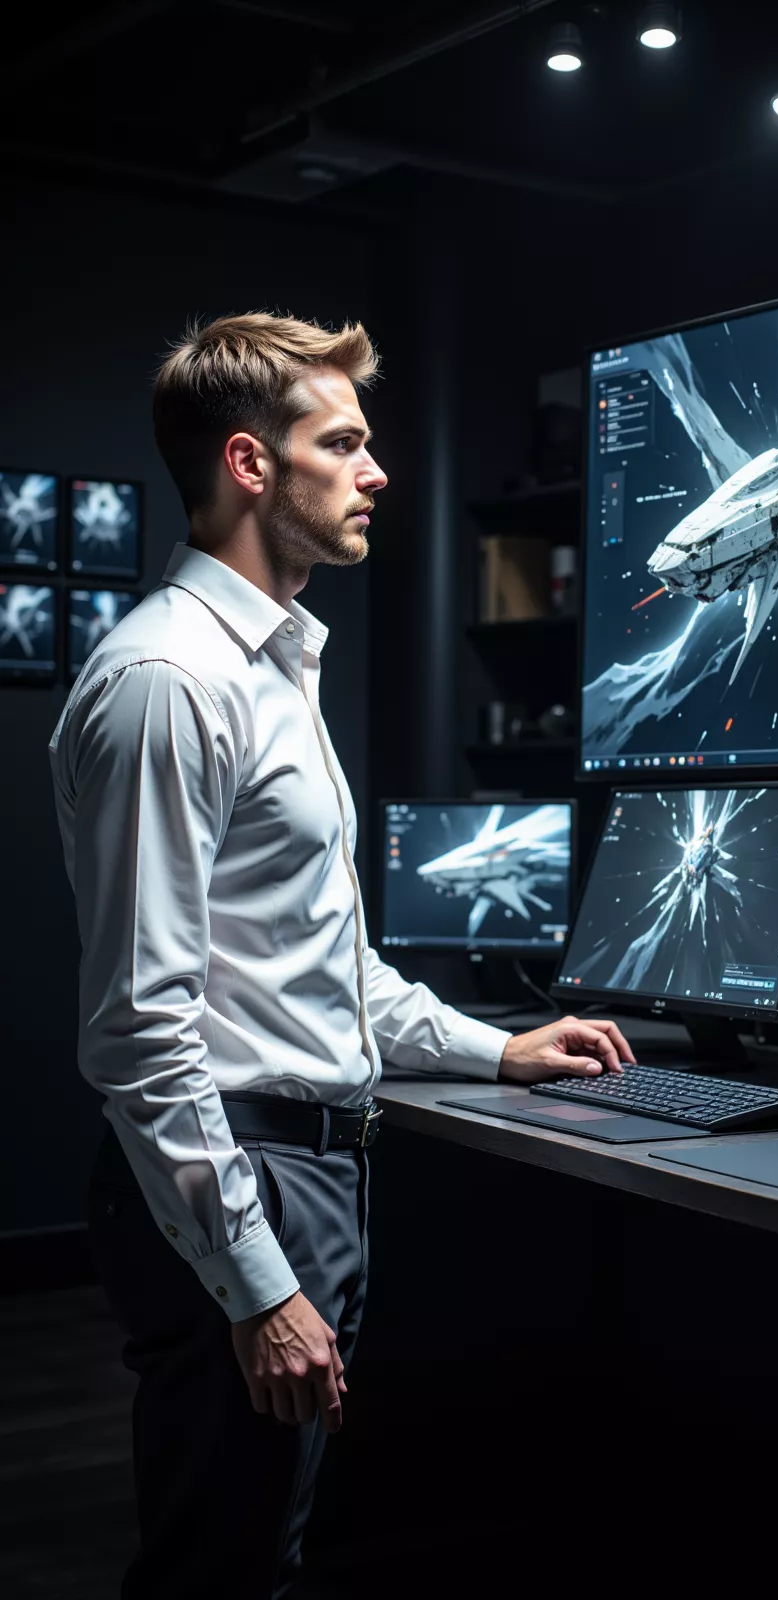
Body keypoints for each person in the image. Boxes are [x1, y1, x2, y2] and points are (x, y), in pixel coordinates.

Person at [48, 312, 636, 1600]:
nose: (378, 473)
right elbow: (141, 1029)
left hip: (303, 1169)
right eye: (347, 443)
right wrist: (258, 1285)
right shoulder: (171, 679)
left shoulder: (272, 670)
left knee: (269, 1547)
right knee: (221, 1569)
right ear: (252, 465)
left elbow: (326, 958)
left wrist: (496, 1047)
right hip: (242, 1173)